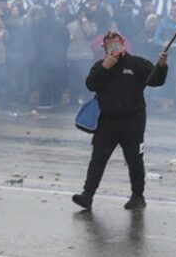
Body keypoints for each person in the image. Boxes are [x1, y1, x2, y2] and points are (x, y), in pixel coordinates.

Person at [72, 32, 168, 211]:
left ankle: (138, 196)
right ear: (105, 49)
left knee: (135, 160)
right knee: (98, 159)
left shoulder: (138, 64)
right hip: (107, 121)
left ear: (123, 45)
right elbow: (90, 84)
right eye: (109, 46)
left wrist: (161, 66)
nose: (113, 49)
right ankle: (87, 195)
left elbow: (156, 81)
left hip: (133, 120)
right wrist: (104, 68)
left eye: (116, 45)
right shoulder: (100, 65)